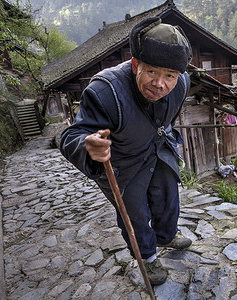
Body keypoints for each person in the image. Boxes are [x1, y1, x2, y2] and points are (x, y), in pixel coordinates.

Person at [60, 17, 193, 285]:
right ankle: (148, 257)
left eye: (170, 75)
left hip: (156, 148)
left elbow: (169, 118)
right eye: (152, 72)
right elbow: (71, 135)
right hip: (121, 162)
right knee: (135, 213)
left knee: (168, 195)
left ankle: (167, 235)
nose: (160, 84)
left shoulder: (182, 84)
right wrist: (89, 146)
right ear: (135, 65)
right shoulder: (106, 91)